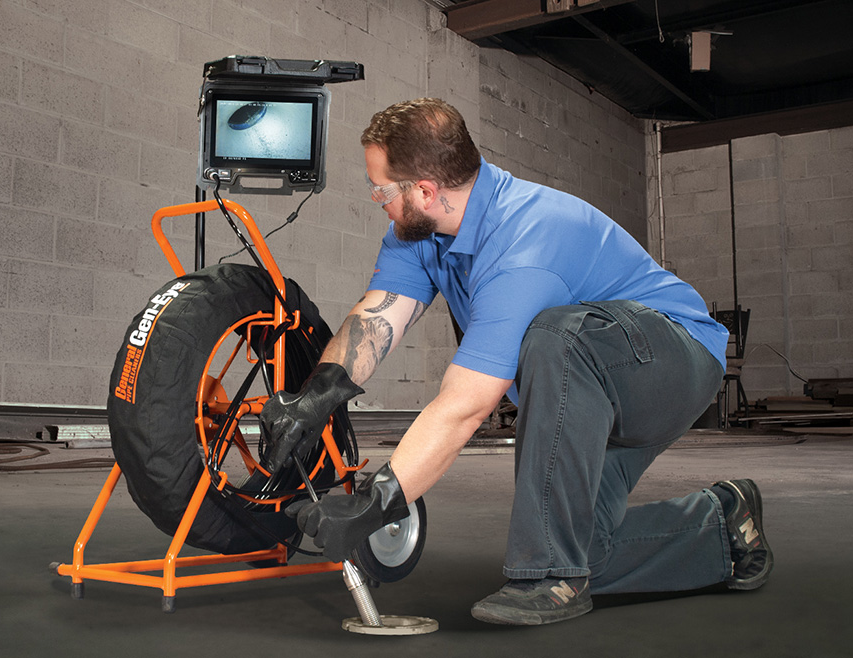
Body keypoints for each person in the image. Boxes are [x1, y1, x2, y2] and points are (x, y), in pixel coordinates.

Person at [261, 98, 773, 626]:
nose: (377, 200)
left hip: (670, 363)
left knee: (556, 336)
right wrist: (316, 395)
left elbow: (465, 406)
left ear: (426, 191)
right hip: (591, 394)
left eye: (382, 190)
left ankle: (553, 579)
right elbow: (378, 316)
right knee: (582, 549)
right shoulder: (420, 233)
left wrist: (376, 501)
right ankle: (724, 522)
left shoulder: (525, 241)